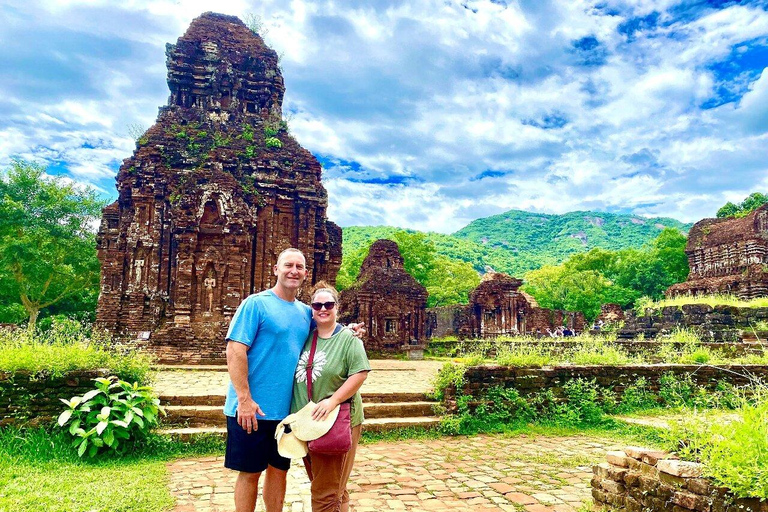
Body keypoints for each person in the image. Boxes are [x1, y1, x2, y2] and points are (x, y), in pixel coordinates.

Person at [223, 249, 364, 512]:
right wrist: (244, 399)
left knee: (279, 471)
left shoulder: (304, 313)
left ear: (305, 274)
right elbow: (235, 349)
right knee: (250, 472)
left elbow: (326, 327)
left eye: (299, 266)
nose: (293, 270)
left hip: (286, 413)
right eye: (288, 265)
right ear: (275, 269)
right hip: (250, 409)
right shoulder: (256, 304)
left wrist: (349, 330)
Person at [290, 282, 370, 512]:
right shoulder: (305, 336)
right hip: (307, 422)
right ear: (311, 309)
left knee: (324, 492)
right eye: (317, 305)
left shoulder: (348, 339)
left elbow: (360, 373)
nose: (322, 309)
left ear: (337, 307)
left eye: (328, 304)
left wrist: (333, 400)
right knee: (333, 488)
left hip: (336, 421)